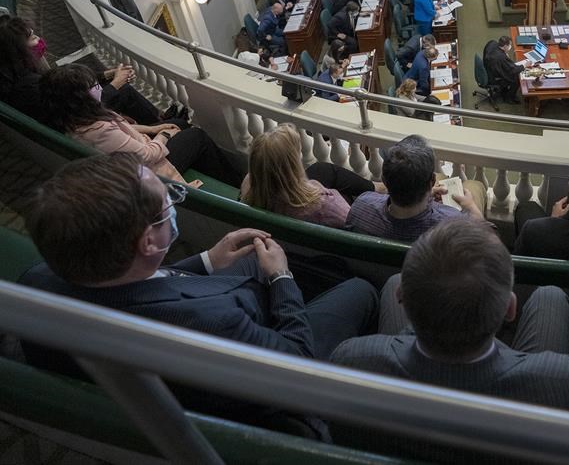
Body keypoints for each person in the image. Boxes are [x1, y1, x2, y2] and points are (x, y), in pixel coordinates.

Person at [21, 153, 378, 432]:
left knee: (259, 256)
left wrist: (207, 261)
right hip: (272, 365)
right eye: (167, 204)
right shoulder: (212, 322)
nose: (173, 204)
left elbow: (143, 281)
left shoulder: (36, 283)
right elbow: (295, 357)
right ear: (148, 241)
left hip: (194, 313)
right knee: (359, 289)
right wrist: (281, 279)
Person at [331, 219, 569, 412]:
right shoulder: (564, 382)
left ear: (401, 297)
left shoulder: (351, 361)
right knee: (551, 296)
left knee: (393, 279)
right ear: (509, 309)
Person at [40, 64, 244, 187]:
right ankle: (234, 182)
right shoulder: (98, 132)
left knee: (179, 123)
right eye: (93, 86)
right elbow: (146, 156)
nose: (98, 88)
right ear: (78, 97)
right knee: (197, 137)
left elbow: (122, 128)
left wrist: (154, 129)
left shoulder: (77, 116)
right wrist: (164, 135)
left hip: (139, 151)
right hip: (148, 170)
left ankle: (203, 163)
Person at [0, 15, 166, 124]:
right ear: (19, 49)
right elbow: (84, 108)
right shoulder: (30, 85)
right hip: (78, 121)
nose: (38, 39)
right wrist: (115, 83)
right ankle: (159, 124)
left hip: (73, 112)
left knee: (123, 90)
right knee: (124, 91)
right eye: (32, 37)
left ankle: (158, 121)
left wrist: (106, 75)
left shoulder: (18, 71)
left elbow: (66, 84)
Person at [346, 135, 483, 241]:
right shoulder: (456, 226)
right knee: (474, 186)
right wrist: (471, 207)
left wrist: (426, 194)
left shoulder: (361, 205)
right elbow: (488, 244)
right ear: (432, 182)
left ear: (384, 181)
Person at [240, 124, 374, 229]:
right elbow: (355, 227)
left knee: (322, 169)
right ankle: (377, 189)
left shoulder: (249, 185)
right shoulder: (324, 204)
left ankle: (374, 187)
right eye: (297, 153)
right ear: (293, 164)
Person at [483, 36, 524, 103]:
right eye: (509, 45)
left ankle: (504, 90)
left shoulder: (492, 42)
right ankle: (509, 98)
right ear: (505, 46)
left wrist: (504, 53)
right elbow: (512, 70)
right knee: (516, 78)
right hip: (493, 78)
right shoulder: (501, 58)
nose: (510, 46)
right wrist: (523, 66)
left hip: (488, 68)